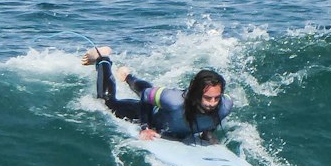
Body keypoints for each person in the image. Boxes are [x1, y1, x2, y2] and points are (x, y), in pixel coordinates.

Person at [82, 47, 233, 144]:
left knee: (152, 92)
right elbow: (146, 96)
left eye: (216, 97)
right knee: (106, 102)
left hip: (163, 108)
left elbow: (212, 117)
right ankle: (103, 58)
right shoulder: (174, 101)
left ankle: (127, 75)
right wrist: (145, 127)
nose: (213, 103)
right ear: (196, 95)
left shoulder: (225, 106)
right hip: (149, 115)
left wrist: (207, 133)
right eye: (207, 98)